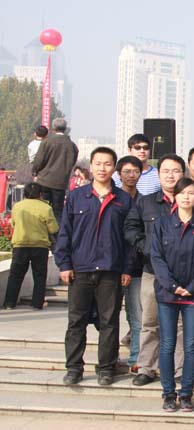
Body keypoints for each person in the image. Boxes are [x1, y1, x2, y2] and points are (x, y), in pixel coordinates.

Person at [55, 147, 134, 386]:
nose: (102, 168)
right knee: (76, 321)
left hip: (111, 269)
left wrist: (127, 268)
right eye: (98, 163)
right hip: (80, 268)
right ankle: (74, 368)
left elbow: (130, 239)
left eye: (107, 164)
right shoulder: (76, 196)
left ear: (114, 168)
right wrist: (64, 263)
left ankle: (106, 367)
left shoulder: (124, 200)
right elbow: (65, 232)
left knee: (109, 322)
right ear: (91, 166)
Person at [151, 178, 194, 412]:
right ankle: (168, 393)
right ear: (175, 196)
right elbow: (156, 257)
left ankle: (186, 393)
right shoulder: (162, 224)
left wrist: (193, 286)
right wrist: (171, 285)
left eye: (191, 193)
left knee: (191, 345)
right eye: (182, 193)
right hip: (167, 294)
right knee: (167, 344)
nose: (186, 197)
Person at [125, 155, 189, 386]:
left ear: (183, 173)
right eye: (166, 171)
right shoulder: (146, 202)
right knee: (150, 322)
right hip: (152, 272)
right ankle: (146, 367)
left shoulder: (192, 201)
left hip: (183, 275)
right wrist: (147, 249)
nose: (171, 175)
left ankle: (180, 369)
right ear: (158, 174)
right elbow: (131, 229)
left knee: (181, 325)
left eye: (176, 171)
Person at [2, 183, 59, 310]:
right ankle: (37, 304)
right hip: (40, 246)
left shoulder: (17, 206)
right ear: (40, 194)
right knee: (39, 276)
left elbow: (13, 223)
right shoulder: (46, 208)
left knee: (15, 275)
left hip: (20, 244)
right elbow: (53, 228)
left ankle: (9, 303)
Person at [115, 156, 143, 371]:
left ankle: (136, 358)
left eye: (135, 171)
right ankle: (110, 357)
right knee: (110, 316)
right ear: (119, 174)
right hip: (113, 265)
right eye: (127, 171)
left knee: (137, 315)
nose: (131, 175)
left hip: (137, 267)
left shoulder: (145, 202)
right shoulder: (113, 200)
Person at [31, 117, 79, 224]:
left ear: (53, 129)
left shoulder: (47, 142)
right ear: (65, 129)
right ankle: (57, 232)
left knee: (43, 208)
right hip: (60, 183)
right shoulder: (72, 145)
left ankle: (43, 230)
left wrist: (35, 171)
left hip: (44, 181)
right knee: (58, 211)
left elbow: (39, 161)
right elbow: (72, 162)